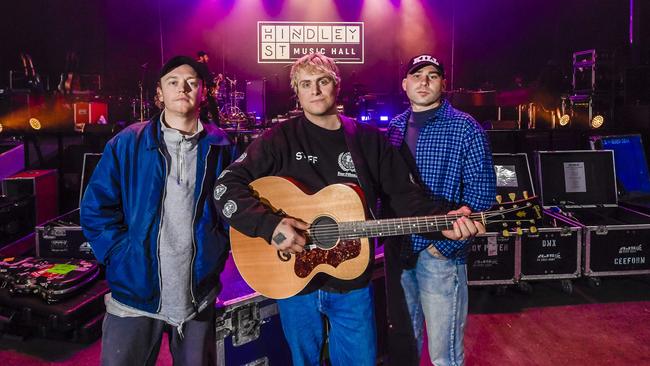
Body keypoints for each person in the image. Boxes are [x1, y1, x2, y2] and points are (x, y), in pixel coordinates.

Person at [213, 53, 485, 366]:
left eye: (322, 81)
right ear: (297, 92)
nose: (315, 90)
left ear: (336, 86)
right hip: (293, 280)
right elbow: (225, 188)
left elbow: (404, 196)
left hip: (352, 283)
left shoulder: (367, 139)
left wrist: (443, 220)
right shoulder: (278, 139)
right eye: (305, 84)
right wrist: (271, 226)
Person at [80, 55, 232, 366]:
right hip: (134, 294)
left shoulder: (221, 145)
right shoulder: (128, 143)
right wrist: (119, 255)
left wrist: (218, 250)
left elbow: (231, 209)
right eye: (173, 82)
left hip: (196, 294)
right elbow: (96, 208)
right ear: (159, 94)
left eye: (192, 82)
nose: (183, 88)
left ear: (203, 92)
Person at [384, 54, 496, 366]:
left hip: (439, 259)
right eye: (416, 75)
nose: (424, 81)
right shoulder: (392, 129)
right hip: (400, 253)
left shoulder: (466, 128)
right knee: (406, 347)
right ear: (404, 84)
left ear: (443, 84)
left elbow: (482, 197)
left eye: (432, 75)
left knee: (444, 356)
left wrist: (442, 247)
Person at [196, 50, 221, 126]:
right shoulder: (202, 65)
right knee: (214, 110)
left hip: (201, 91)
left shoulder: (196, 66)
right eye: (206, 57)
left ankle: (204, 126)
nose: (207, 58)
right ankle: (217, 127)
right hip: (206, 91)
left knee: (204, 110)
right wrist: (215, 85)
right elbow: (208, 79)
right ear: (201, 57)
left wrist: (216, 79)